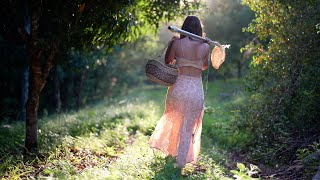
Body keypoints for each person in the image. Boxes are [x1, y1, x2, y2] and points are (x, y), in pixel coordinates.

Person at [149, 15, 210, 168]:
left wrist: (175, 47)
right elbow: (204, 66)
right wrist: (204, 45)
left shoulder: (177, 43)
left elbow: (168, 61)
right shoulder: (205, 46)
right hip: (195, 89)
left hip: (179, 87)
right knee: (188, 125)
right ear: (199, 30)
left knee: (174, 118)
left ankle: (171, 153)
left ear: (184, 27)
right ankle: (181, 161)